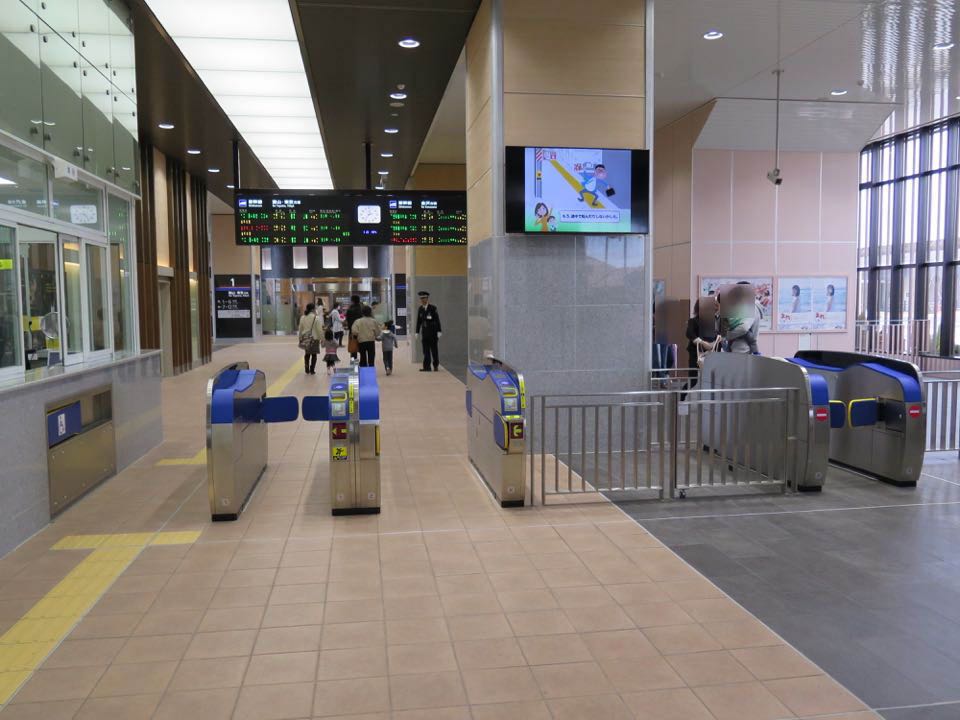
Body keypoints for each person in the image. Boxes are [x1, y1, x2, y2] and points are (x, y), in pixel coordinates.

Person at [415, 290, 442, 372]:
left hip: (433, 333)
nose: (422, 300)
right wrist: (417, 332)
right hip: (425, 333)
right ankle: (427, 367)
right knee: (425, 351)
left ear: (427, 298)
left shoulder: (433, 308)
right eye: (421, 298)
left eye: (424, 298)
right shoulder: (420, 309)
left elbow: (437, 320)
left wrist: (439, 331)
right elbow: (419, 321)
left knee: (434, 350)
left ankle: (435, 365)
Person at [297, 303, 323, 375]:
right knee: (314, 355)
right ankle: (312, 370)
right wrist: (322, 338)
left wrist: (300, 337)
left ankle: (306, 368)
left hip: (306, 338)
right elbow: (319, 330)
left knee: (307, 354)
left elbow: (300, 329)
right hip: (314, 338)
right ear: (313, 309)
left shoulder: (303, 317)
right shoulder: (316, 318)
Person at [345, 295, 364, 361]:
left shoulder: (349, 310)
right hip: (362, 332)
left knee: (353, 350)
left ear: (352, 301)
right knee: (362, 350)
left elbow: (347, 321)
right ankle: (362, 364)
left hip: (352, 332)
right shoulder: (362, 309)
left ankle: (354, 364)